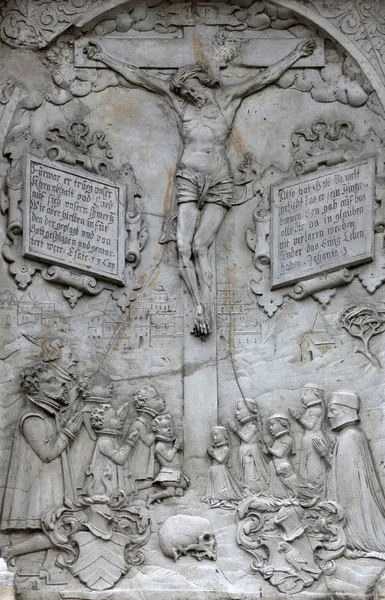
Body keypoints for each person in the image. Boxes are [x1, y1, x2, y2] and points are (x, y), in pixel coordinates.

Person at [84, 38, 315, 337]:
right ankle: (199, 309)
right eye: (187, 92)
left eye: (193, 88)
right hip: (189, 178)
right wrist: (103, 57)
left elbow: (265, 77)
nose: (191, 94)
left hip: (220, 181)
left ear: (202, 80)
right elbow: (138, 77)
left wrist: (296, 54)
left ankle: (206, 305)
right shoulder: (180, 105)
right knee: (182, 248)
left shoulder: (229, 99)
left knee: (199, 246)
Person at [1, 362, 84, 561]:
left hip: (51, 484)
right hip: (39, 490)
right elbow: (46, 453)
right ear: (37, 388)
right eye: (52, 381)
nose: (60, 385)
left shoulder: (48, 411)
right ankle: (10, 552)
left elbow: (63, 408)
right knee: (61, 531)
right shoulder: (32, 417)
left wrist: (77, 395)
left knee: (63, 529)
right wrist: (67, 434)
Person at [314, 390, 385, 558]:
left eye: (333, 411)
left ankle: (355, 538)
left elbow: (348, 481)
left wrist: (325, 454)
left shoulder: (350, 436)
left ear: (346, 411)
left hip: (354, 511)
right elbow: (342, 471)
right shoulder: (347, 435)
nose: (329, 417)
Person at [83, 402, 138, 499]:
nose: (120, 419)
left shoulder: (112, 438)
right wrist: (130, 443)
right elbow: (120, 459)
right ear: (104, 421)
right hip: (104, 487)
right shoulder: (105, 441)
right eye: (115, 418)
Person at [125, 385, 166, 489]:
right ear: (144, 403)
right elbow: (148, 441)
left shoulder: (148, 421)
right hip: (138, 462)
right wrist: (157, 432)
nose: (162, 400)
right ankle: (132, 490)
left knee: (147, 482)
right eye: (156, 398)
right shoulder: (139, 423)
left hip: (144, 458)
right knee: (143, 482)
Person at [146, 413, 189, 506]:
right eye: (165, 427)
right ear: (157, 430)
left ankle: (159, 495)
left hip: (175, 473)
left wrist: (177, 446)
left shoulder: (168, 442)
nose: (169, 429)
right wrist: (175, 448)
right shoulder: (160, 445)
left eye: (170, 426)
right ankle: (152, 497)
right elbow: (169, 458)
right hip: (168, 474)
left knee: (179, 492)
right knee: (182, 485)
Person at [228, 397, 269, 493]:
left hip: (251, 456)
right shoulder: (246, 426)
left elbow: (246, 438)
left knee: (251, 474)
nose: (236, 413)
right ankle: (248, 490)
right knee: (246, 474)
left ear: (250, 409)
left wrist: (235, 429)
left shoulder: (253, 426)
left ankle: (255, 490)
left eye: (239, 409)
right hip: (245, 456)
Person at [289, 384, 327, 486]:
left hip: (313, 440)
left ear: (316, 394)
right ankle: (310, 484)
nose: (302, 397)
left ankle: (316, 483)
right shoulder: (311, 409)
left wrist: (298, 417)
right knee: (307, 463)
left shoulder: (316, 410)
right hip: (308, 439)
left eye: (305, 393)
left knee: (313, 464)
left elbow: (310, 426)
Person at [203, 426, 244, 509]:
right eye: (213, 436)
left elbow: (221, 460)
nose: (214, 438)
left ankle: (221, 498)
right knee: (215, 487)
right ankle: (215, 498)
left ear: (224, 435)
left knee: (221, 487)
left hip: (220, 470)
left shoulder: (225, 448)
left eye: (216, 435)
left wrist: (213, 454)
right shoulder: (217, 448)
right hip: (214, 469)